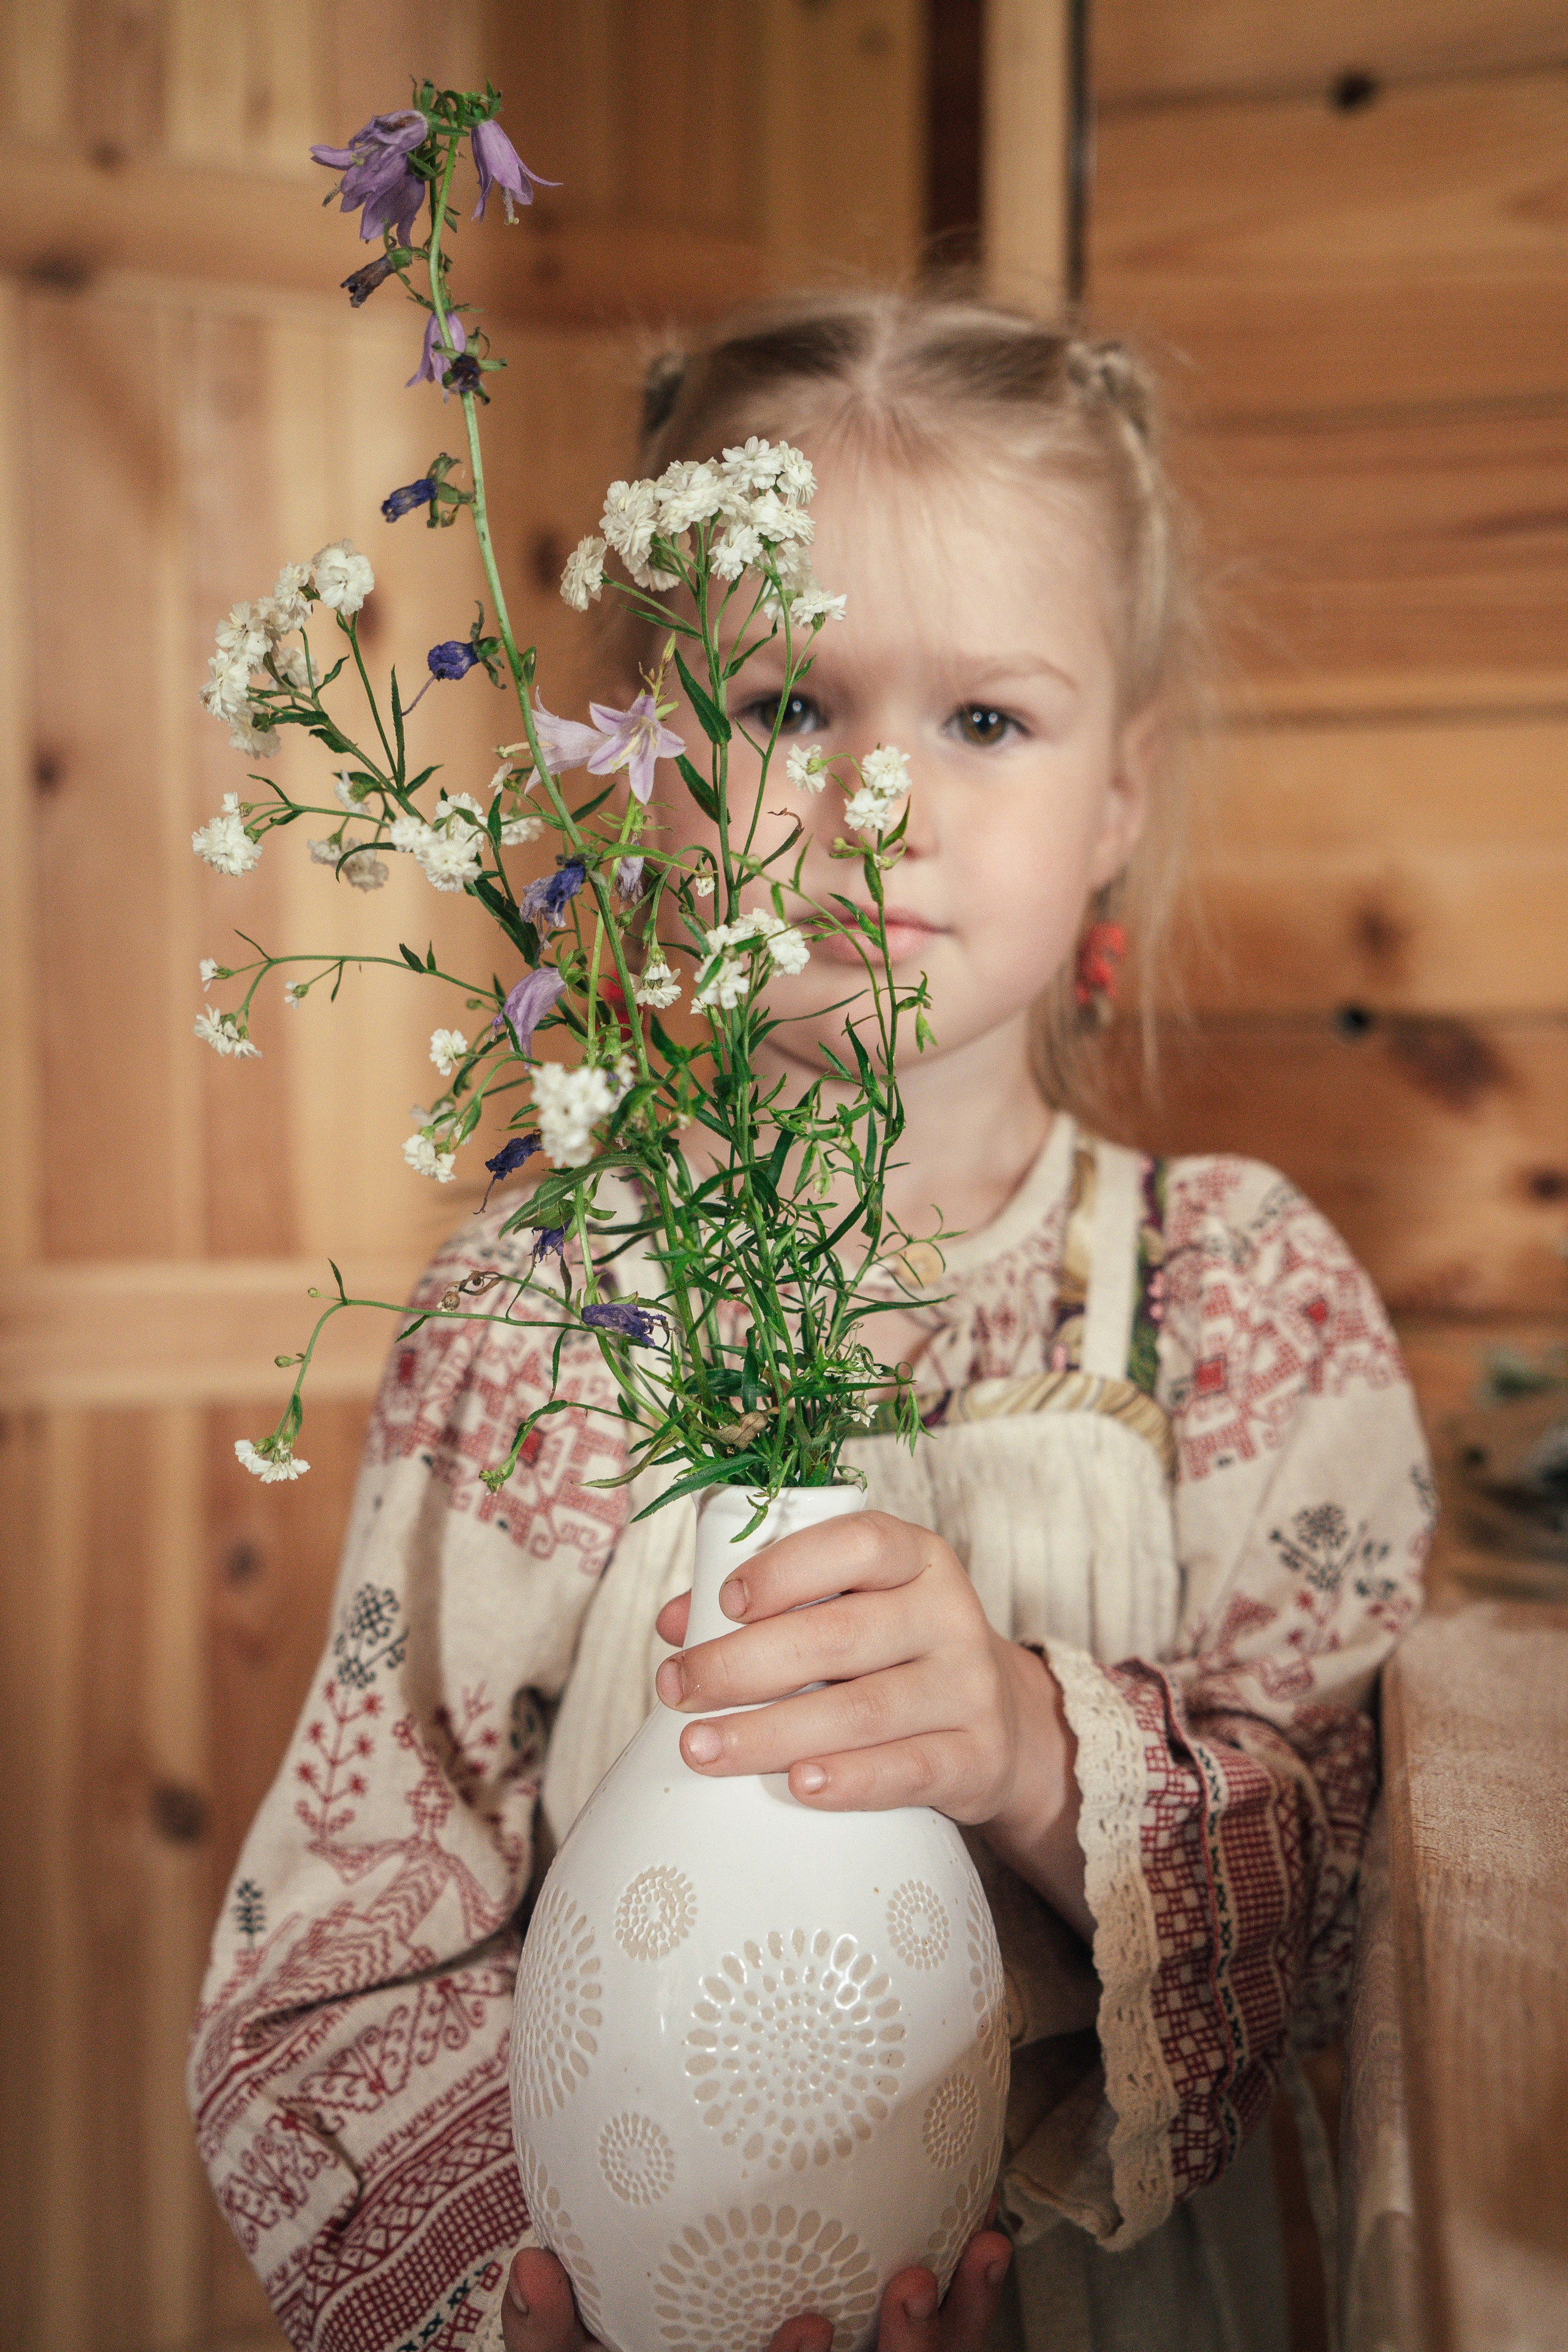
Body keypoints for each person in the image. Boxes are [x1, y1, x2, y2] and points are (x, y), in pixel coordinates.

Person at [187, 292, 1433, 2352]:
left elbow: (1372, 1926)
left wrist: (1039, 1757)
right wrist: (539, 2303)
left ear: (1117, 797)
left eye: (986, 723)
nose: (881, 802)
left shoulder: (1242, 1298)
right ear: (647, 775)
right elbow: (339, 1950)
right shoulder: (552, 1304)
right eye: (788, 712)